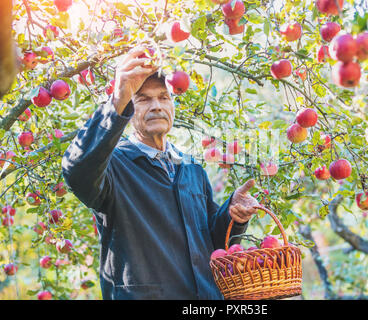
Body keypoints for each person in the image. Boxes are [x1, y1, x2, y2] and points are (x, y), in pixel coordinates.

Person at [61, 47, 259, 299]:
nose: (156, 106)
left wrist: (232, 215)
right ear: (128, 109)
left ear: (173, 104)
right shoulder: (113, 167)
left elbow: (210, 244)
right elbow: (76, 170)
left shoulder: (191, 168)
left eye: (164, 97)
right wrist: (118, 97)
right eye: (143, 99)